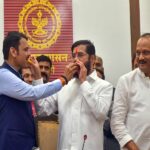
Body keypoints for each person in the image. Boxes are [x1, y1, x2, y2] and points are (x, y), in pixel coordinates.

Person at [0, 31, 77, 150]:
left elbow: (37, 103)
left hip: (23, 143)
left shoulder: (16, 76)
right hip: (10, 143)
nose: (29, 53)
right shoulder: (3, 74)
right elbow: (32, 93)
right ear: (13, 52)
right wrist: (64, 79)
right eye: (25, 50)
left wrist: (37, 74)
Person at [35, 40, 113, 150]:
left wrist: (84, 82)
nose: (75, 59)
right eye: (73, 56)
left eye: (80, 55)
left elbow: (100, 113)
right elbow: (42, 110)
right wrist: (37, 78)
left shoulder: (105, 86)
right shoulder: (64, 86)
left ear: (92, 59)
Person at [111, 33, 150, 150]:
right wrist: (133, 148)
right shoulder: (126, 81)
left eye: (146, 52)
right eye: (138, 53)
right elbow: (116, 123)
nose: (141, 57)